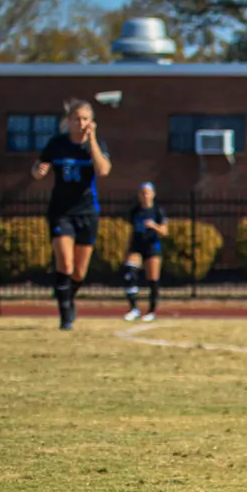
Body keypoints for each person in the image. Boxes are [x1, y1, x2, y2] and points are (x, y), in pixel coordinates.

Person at [32, 99, 111, 330]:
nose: (81, 123)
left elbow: (103, 170)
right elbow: (38, 168)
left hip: (87, 212)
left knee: (79, 271)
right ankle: (65, 314)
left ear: (92, 122)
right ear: (68, 121)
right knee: (65, 264)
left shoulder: (96, 145)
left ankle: (68, 297)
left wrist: (92, 140)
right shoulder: (57, 144)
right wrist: (38, 171)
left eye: (85, 119)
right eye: (76, 118)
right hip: (61, 212)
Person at [121, 183, 167, 322]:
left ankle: (151, 311)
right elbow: (129, 228)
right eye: (142, 193)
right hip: (136, 246)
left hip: (152, 246)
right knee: (130, 272)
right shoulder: (135, 211)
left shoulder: (157, 211)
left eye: (147, 192)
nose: (145, 195)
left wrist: (153, 226)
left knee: (152, 280)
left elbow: (165, 232)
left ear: (153, 194)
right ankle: (133, 308)